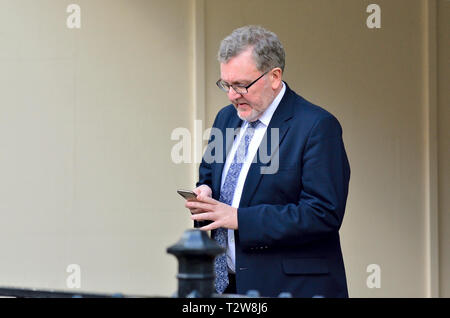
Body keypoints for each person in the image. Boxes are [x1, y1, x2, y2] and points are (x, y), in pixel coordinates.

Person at [185, 25, 350, 298]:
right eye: (226, 84)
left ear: (274, 76)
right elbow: (208, 176)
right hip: (225, 287)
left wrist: (240, 218)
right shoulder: (226, 119)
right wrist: (205, 193)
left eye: (241, 85)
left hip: (291, 289)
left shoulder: (317, 126)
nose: (232, 95)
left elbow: (323, 213)